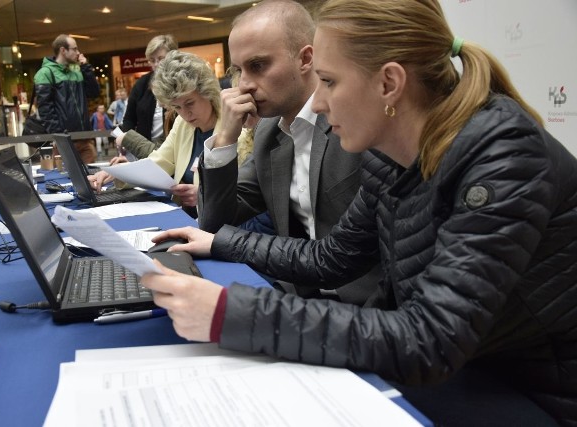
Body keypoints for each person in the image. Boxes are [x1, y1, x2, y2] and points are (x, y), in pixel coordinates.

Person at [140, 0, 577, 425]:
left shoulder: (505, 157)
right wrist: (223, 244)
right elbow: (330, 258)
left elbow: (430, 340)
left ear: (389, 84)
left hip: (526, 390)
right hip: (460, 368)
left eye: (329, 82)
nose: (322, 103)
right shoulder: (389, 158)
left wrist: (231, 312)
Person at [196, 0, 377, 304]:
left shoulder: (354, 120)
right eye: (238, 70)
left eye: (258, 66)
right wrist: (224, 136)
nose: (245, 85)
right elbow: (215, 223)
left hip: (369, 307)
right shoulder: (269, 132)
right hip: (300, 296)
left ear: (306, 58)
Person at [89, 50, 251, 215]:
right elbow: (158, 162)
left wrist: (203, 196)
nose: (185, 114)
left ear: (207, 92)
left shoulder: (235, 126)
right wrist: (113, 173)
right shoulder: (182, 124)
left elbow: (247, 191)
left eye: (189, 103)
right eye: (177, 107)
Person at [33, 34, 100, 163]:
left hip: (84, 139)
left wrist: (85, 66)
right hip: (64, 142)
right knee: (65, 180)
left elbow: (94, 92)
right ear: (63, 50)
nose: (78, 52)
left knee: (92, 179)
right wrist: (60, 136)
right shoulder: (46, 73)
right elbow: (45, 110)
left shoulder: (76, 70)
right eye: (74, 49)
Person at [120, 34, 178, 148]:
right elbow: (129, 120)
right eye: (152, 60)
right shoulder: (142, 84)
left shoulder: (181, 82)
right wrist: (127, 145)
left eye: (161, 59)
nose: (156, 64)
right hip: (145, 145)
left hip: (174, 145)